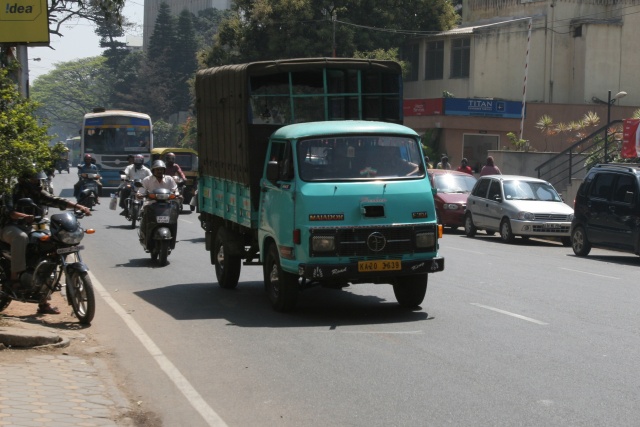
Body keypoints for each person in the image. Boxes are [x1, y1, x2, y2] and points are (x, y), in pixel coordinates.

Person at [0, 171, 92, 315]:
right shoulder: (13, 190)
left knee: (52, 242)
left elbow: (54, 200)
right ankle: (14, 278)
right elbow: (10, 212)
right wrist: (24, 216)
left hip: (33, 225)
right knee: (21, 238)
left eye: (38, 180)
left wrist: (78, 206)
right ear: (25, 179)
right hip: (10, 226)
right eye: (34, 180)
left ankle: (43, 301)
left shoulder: (37, 192)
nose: (37, 183)